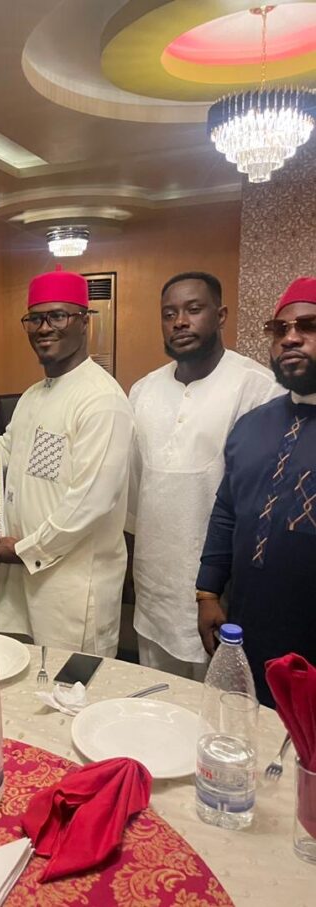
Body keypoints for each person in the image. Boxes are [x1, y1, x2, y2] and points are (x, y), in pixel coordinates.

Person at [0, 266, 134, 657]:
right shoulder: (34, 395)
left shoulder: (101, 400)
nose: (44, 328)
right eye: (35, 319)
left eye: (58, 316)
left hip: (71, 587)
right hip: (23, 578)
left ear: (84, 322)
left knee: (69, 685)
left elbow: (90, 502)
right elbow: (8, 452)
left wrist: (23, 550)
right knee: (24, 674)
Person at [128, 272, 281, 680]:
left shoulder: (258, 389)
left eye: (193, 310)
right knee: (156, 695)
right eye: (169, 314)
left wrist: (219, 588)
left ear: (221, 315)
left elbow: (257, 505)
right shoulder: (143, 391)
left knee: (216, 704)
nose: (180, 322)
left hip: (218, 594)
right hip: (153, 587)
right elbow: (137, 491)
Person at [197, 276, 316, 706]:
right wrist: (208, 592)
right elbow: (226, 511)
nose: (290, 338)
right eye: (279, 329)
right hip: (249, 628)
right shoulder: (252, 425)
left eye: (308, 326)